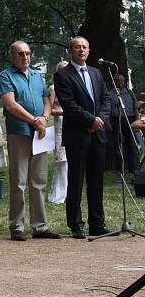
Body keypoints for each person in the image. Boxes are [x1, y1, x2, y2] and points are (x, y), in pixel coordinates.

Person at [0, 40, 59, 241]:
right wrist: (34, 120)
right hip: (20, 132)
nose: (25, 57)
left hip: (39, 134)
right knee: (19, 181)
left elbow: (47, 100)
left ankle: (40, 226)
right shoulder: (5, 76)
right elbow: (10, 104)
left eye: (27, 53)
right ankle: (17, 226)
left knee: (39, 180)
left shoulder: (36, 75)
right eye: (20, 54)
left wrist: (43, 118)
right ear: (12, 56)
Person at [54, 35, 111, 239]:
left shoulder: (96, 73)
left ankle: (97, 223)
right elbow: (69, 105)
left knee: (96, 180)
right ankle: (76, 224)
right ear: (71, 50)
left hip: (98, 135)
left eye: (85, 47)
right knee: (76, 179)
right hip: (77, 135)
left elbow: (106, 99)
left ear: (89, 51)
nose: (81, 50)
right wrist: (90, 121)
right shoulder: (63, 75)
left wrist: (100, 120)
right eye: (77, 47)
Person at [108, 73, 138, 174]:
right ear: (114, 81)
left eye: (122, 80)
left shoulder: (130, 93)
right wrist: (108, 123)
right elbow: (107, 110)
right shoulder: (110, 94)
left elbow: (135, 109)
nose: (120, 82)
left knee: (131, 144)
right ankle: (120, 168)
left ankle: (132, 168)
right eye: (118, 80)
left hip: (129, 120)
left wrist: (136, 121)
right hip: (117, 120)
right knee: (118, 145)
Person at [48, 61, 69, 204]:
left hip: (72, 125)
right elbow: (49, 109)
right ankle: (59, 195)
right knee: (62, 161)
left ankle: (68, 193)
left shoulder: (71, 86)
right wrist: (65, 112)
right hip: (60, 125)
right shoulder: (53, 88)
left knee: (70, 160)